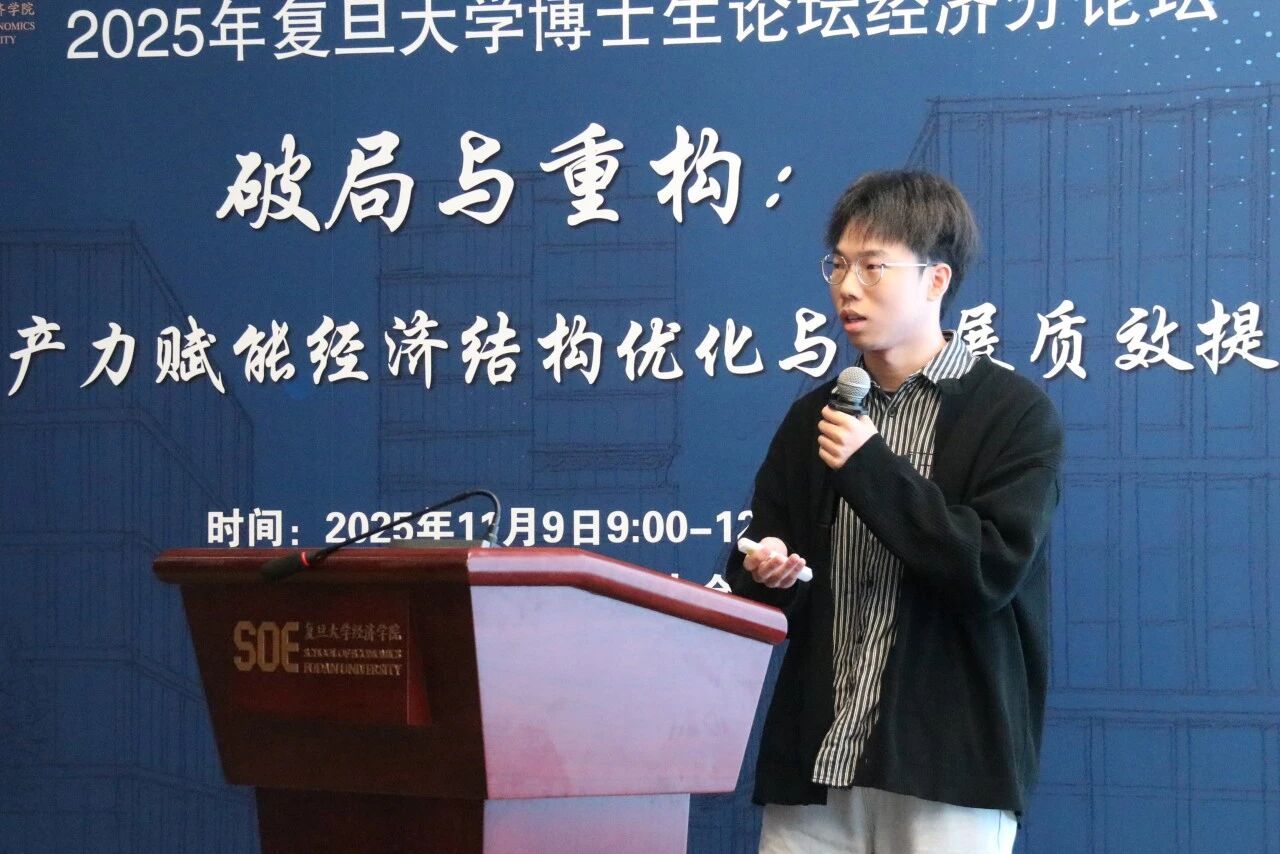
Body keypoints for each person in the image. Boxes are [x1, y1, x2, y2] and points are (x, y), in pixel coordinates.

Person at [726, 170, 1064, 854]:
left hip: (949, 770)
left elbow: (988, 570)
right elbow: (757, 572)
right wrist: (765, 569)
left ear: (936, 280)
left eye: (873, 266)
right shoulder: (812, 417)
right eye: (838, 264)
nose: (847, 287)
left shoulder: (1013, 414)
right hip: (816, 764)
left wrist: (869, 466)